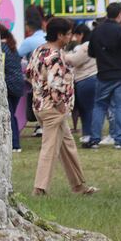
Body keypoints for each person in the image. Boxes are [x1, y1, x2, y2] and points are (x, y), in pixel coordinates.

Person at [27, 17, 97, 196]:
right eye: (68, 34)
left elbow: (29, 73)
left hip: (39, 105)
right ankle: (40, 189)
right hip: (53, 108)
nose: (70, 37)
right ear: (59, 35)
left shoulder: (38, 50)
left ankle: (79, 186)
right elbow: (56, 84)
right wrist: (60, 105)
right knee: (50, 148)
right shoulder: (56, 56)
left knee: (68, 146)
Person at [84, 2, 121, 149]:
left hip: (103, 74)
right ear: (120, 14)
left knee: (99, 106)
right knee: (120, 107)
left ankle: (95, 139)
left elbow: (91, 53)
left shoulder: (96, 31)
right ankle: (119, 141)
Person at [65, 23, 97, 144]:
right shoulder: (92, 44)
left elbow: (75, 60)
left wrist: (63, 55)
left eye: (76, 35)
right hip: (91, 79)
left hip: (85, 80)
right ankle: (89, 134)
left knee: (86, 110)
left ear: (81, 34)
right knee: (89, 110)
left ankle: (89, 135)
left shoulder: (86, 46)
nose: (75, 39)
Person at [0, 24, 24, 152]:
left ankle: (14, 144)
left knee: (9, 116)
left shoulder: (0, 48)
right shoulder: (12, 48)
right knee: (12, 114)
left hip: (8, 85)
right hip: (19, 85)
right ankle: (14, 142)